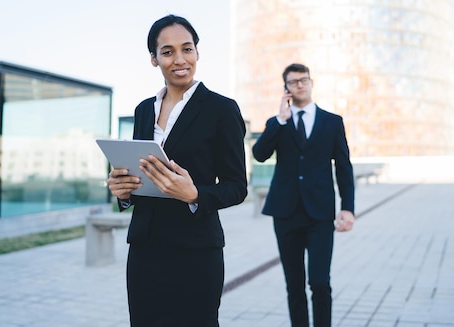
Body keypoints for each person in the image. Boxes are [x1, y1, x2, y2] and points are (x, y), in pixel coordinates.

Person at [105, 14, 247, 326]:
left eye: (187, 49)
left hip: (196, 252)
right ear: (154, 59)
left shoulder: (222, 109)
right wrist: (123, 190)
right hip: (144, 250)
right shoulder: (144, 109)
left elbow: (237, 186)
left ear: (197, 52)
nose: (179, 59)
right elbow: (141, 172)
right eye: (167, 52)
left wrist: (195, 193)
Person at [252, 63, 355, 327]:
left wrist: (348, 208)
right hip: (285, 213)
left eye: (304, 80)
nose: (300, 84)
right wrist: (280, 120)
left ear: (311, 82)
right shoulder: (278, 122)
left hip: (319, 213)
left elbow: (343, 167)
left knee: (320, 282)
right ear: (285, 88)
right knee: (294, 285)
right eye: (293, 81)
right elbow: (260, 154)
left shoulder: (332, 122)